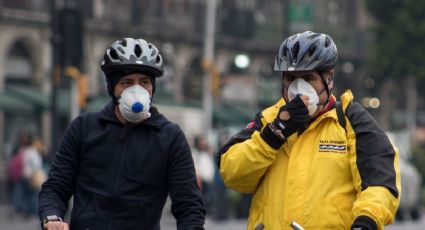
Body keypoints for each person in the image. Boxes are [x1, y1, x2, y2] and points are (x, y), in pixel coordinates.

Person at [216, 31, 401, 230]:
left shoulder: (349, 120)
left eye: (308, 78)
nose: (298, 88)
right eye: (291, 78)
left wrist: (366, 221)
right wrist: (275, 133)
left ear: (329, 79)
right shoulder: (269, 120)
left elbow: (380, 181)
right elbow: (232, 173)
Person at [38, 38, 205, 230]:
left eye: (144, 82)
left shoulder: (170, 138)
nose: (137, 90)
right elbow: (56, 186)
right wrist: (52, 217)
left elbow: (189, 206)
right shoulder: (83, 128)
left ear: (153, 88)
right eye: (127, 82)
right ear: (112, 88)